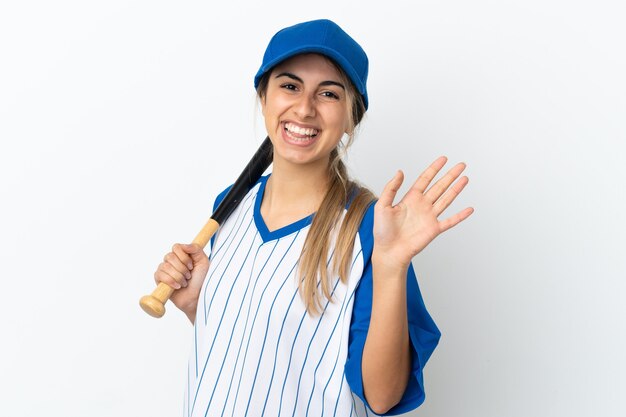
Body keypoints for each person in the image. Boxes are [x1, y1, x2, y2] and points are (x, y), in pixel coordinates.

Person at [153, 18, 473, 417]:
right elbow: (256, 349)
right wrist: (199, 304)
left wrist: (391, 266)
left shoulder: (372, 229)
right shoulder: (230, 206)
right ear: (264, 96)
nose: (304, 108)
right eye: (289, 86)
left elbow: (382, 395)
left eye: (328, 94)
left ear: (351, 117)